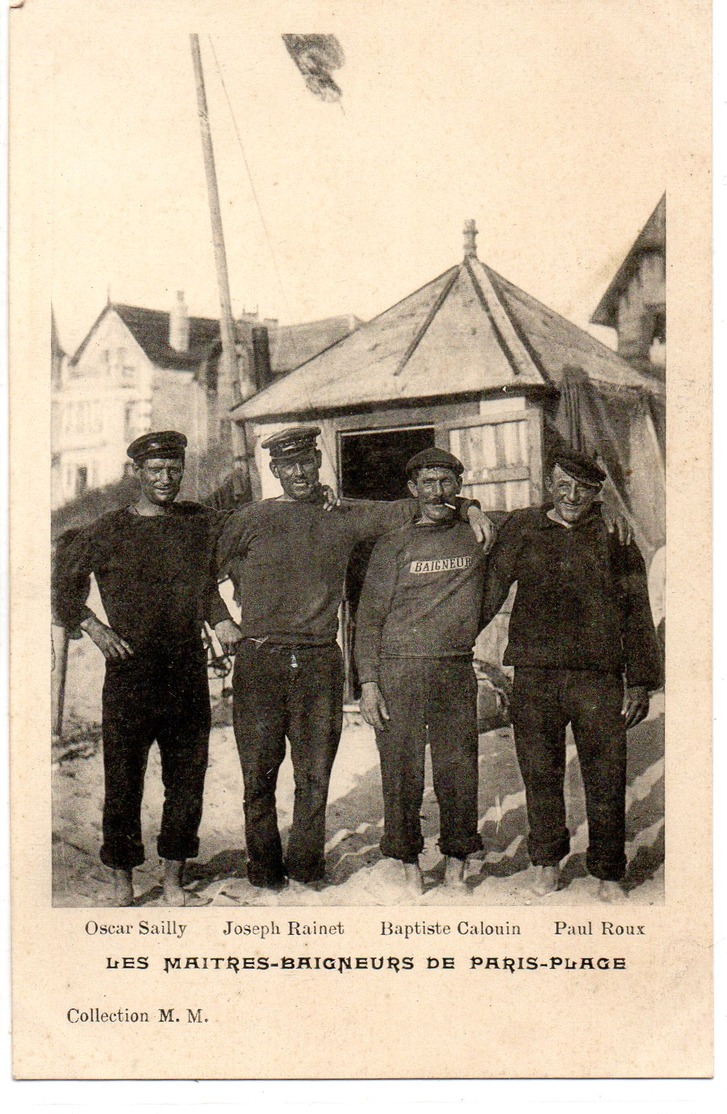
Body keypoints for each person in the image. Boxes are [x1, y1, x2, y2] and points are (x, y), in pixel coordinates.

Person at [215, 427, 495, 891]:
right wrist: (220, 618)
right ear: (275, 470)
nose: (300, 472)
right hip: (260, 660)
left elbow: (419, 505)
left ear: (319, 463)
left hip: (320, 662)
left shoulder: (342, 515)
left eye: (307, 462)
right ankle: (264, 871)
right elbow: (204, 570)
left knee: (314, 777)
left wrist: (471, 507)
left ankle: (305, 869)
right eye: (289, 465)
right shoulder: (251, 518)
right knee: (258, 776)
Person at [53, 431, 242, 906]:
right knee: (124, 779)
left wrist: (221, 620)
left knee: (187, 778)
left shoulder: (197, 523)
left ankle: (174, 880)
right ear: (136, 473)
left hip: (185, 668)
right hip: (130, 673)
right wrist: (94, 627)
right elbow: (64, 578)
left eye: (173, 469)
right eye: (154, 470)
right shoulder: (108, 528)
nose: (165, 479)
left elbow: (213, 576)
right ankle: (122, 879)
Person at [479, 446, 662, 902]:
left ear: (597, 493)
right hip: (535, 676)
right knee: (540, 775)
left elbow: (638, 608)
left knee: (605, 775)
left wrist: (639, 681)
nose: (571, 496)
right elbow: (488, 591)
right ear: (549, 487)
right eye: (563, 486)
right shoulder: (524, 527)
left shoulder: (614, 535)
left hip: (597, 678)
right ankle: (545, 866)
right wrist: (456, 644)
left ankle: (607, 872)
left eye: (583, 489)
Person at [354, 448, 488, 897]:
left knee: (459, 768)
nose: (438, 492)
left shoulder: (477, 534)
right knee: (401, 769)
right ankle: (408, 860)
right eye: (427, 483)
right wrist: (368, 682)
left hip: (453, 668)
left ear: (459, 487)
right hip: (399, 670)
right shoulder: (393, 543)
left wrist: (475, 512)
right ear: (413, 490)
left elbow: (546, 513)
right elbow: (368, 617)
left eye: (446, 482)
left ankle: (456, 860)